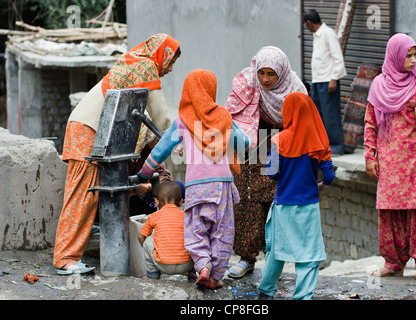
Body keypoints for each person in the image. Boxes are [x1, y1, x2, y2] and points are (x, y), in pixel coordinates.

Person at [53, 33, 181, 275]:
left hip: (88, 128)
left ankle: (68, 253)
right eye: (171, 61)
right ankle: (65, 258)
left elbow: (143, 119)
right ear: (162, 55)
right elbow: (161, 115)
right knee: (82, 196)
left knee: (85, 196)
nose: (171, 68)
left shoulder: (133, 62)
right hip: (88, 129)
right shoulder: (146, 66)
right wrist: (178, 140)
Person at [137, 69, 250, 289]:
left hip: (196, 187)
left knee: (196, 229)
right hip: (222, 185)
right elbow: (244, 144)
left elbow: (159, 151)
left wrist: (144, 174)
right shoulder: (224, 117)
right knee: (222, 230)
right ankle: (216, 276)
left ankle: (203, 266)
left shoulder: (182, 121)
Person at [224, 46, 308, 279]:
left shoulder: (295, 89)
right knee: (247, 196)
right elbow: (232, 112)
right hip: (252, 145)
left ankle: (274, 259)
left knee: (275, 199)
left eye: (271, 74)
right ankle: (246, 258)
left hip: (280, 147)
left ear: (281, 72)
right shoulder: (248, 83)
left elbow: (303, 124)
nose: (265, 79)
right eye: (262, 73)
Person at [364, 33, 416, 281]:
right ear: (395, 56)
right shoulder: (378, 86)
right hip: (389, 161)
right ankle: (393, 262)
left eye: (414, 54)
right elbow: (370, 124)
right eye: (408, 55)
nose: (413, 59)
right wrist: (370, 156)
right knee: (389, 213)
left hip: (415, 159)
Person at [257, 92, 334, 300]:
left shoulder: (279, 140)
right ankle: (303, 296)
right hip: (309, 206)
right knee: (308, 254)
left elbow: (272, 173)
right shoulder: (319, 139)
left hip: (283, 204)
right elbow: (329, 176)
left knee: (276, 251)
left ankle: (266, 291)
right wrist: (319, 184)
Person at [303, 9, 347, 155]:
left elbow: (338, 58)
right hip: (317, 81)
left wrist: (334, 78)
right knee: (318, 115)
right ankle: (321, 145)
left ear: (309, 23)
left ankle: (336, 146)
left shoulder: (328, 33)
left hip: (328, 82)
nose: (306, 28)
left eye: (305, 25)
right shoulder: (317, 35)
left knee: (331, 115)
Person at [138, 180, 194, 279]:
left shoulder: (154, 216)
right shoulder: (186, 216)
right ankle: (192, 272)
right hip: (187, 265)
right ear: (181, 202)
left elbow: (141, 236)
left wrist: (154, 251)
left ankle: (152, 274)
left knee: (148, 241)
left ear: (157, 202)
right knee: (191, 239)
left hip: (163, 265)